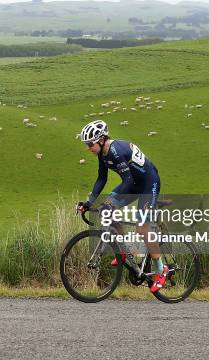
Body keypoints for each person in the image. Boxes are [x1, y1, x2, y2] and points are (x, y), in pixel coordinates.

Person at [76, 120, 168, 292]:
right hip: (133, 183)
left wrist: (113, 204)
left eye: (90, 144)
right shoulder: (103, 154)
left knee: (142, 228)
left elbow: (127, 181)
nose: (88, 148)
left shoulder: (116, 151)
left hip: (148, 184)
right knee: (107, 210)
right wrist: (89, 203)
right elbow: (101, 179)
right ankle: (125, 251)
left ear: (101, 139)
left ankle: (161, 269)